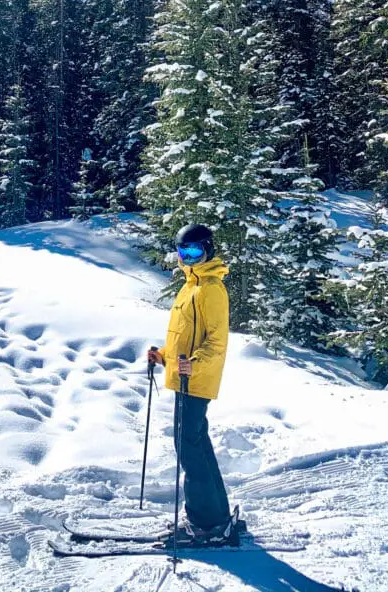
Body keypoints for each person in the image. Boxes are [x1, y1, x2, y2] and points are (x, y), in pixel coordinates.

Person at [148, 222, 235, 546]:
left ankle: (205, 523)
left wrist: (192, 364)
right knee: (197, 446)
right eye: (183, 252)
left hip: (196, 380)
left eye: (195, 251)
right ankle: (217, 516)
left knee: (189, 450)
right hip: (186, 377)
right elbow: (185, 337)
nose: (189, 257)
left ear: (208, 249)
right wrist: (165, 354)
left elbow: (216, 342)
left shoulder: (211, 288)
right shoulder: (191, 286)